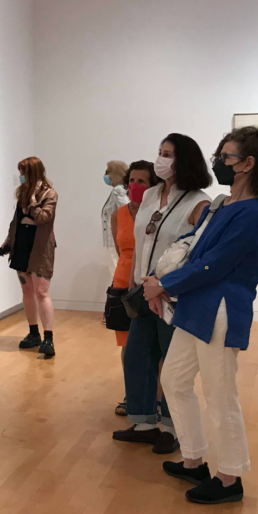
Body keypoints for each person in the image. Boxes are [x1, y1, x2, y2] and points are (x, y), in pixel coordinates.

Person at [146, 126, 258, 505]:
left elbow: (215, 265)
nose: (219, 162)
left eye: (226, 156)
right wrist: (161, 279)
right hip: (196, 305)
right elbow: (191, 248)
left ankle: (229, 478)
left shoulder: (253, 213)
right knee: (174, 380)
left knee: (220, 394)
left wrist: (164, 285)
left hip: (222, 308)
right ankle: (194, 460)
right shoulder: (220, 204)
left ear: (249, 164)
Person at [113, 134, 211, 455]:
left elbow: (200, 249)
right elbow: (140, 242)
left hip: (174, 295)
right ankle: (144, 422)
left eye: (167, 154)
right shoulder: (153, 194)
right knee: (138, 355)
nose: (161, 159)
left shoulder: (198, 201)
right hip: (143, 291)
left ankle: (172, 428)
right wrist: (130, 282)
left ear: (183, 160)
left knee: (172, 364)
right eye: (159, 152)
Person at [110, 160, 160, 415]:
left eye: (142, 181)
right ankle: (132, 397)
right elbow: (122, 250)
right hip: (123, 284)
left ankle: (158, 398)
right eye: (132, 180)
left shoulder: (158, 212)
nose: (134, 186)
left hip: (151, 282)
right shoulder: (118, 214)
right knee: (127, 346)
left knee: (155, 345)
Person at [3, 157, 58, 359]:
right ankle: (33, 333)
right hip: (22, 245)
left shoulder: (49, 194)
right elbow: (16, 219)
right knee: (27, 290)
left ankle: (48, 338)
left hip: (40, 248)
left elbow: (44, 217)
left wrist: (34, 202)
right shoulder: (22, 193)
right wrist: (9, 240)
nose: (21, 176)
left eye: (24, 172)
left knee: (41, 292)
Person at [102, 160, 130, 282]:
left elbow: (127, 208)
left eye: (108, 172)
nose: (105, 175)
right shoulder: (123, 189)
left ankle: (119, 300)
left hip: (114, 240)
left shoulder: (118, 190)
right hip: (116, 239)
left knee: (117, 275)